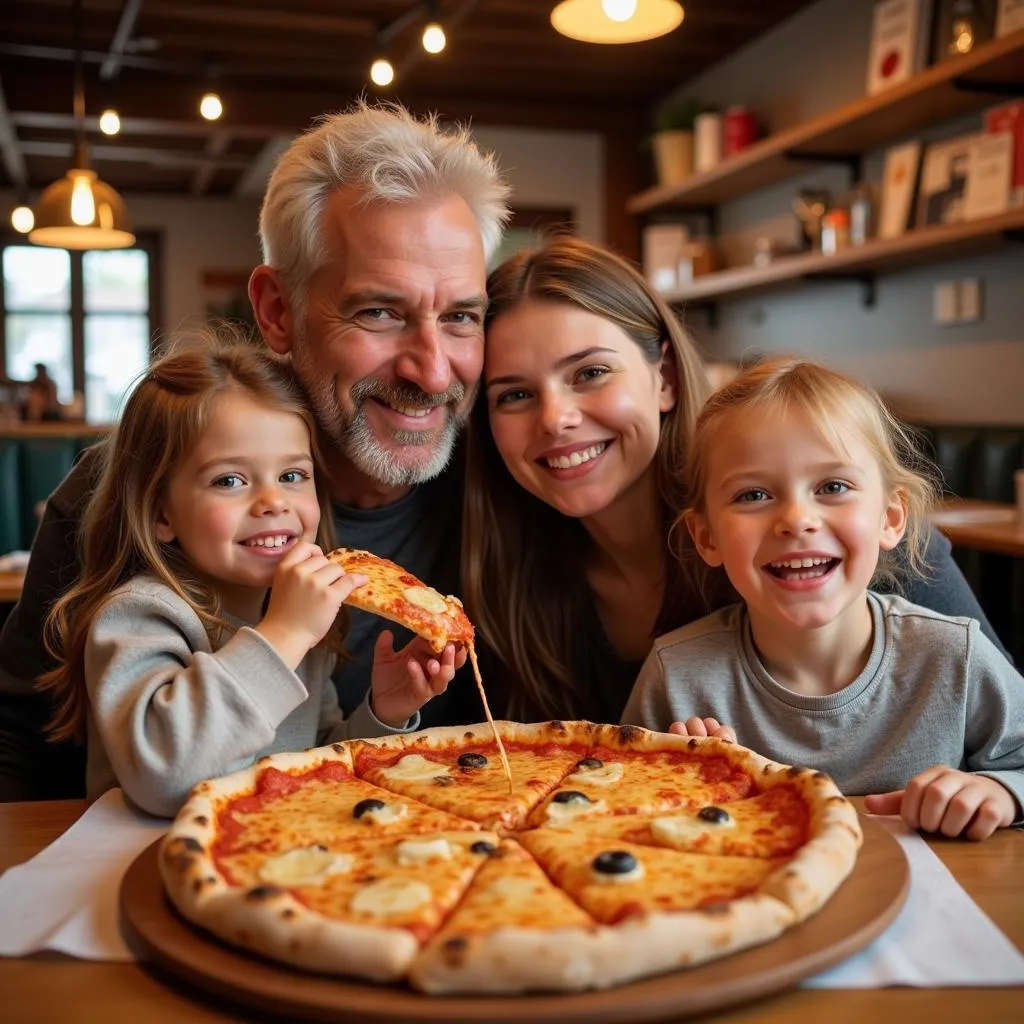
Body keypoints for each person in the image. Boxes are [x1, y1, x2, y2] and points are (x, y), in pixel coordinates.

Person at [0, 99, 510, 802]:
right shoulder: (126, 490)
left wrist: (387, 712)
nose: (430, 370)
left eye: (460, 317)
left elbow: (326, 763)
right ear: (277, 311)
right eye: (380, 312)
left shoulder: (513, 472)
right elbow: (22, 737)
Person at [463, 236, 1013, 725]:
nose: (555, 417)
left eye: (591, 373)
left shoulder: (856, 541)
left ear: (666, 379)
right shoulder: (494, 573)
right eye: (514, 395)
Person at [38, 336, 461, 817]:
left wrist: (385, 710)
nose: (273, 502)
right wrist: (285, 635)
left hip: (265, 852)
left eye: (293, 476)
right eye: (230, 481)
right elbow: (165, 780)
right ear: (161, 514)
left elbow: (318, 768)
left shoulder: (295, 616)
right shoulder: (141, 615)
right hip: (142, 866)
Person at [622, 358, 1023, 841]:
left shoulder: (955, 656)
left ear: (891, 518)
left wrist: (1000, 792)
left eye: (833, 487)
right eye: (753, 495)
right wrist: (673, 778)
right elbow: (619, 808)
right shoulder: (676, 675)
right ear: (706, 537)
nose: (796, 518)